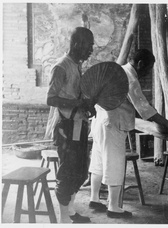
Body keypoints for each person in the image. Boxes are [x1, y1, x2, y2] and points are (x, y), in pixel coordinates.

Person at [88, 49, 168, 218]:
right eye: (148, 68)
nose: (147, 73)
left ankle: (94, 199)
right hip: (112, 125)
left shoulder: (116, 70)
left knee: (99, 162)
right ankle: (113, 208)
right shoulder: (129, 77)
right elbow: (143, 107)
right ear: (139, 64)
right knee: (115, 165)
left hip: (100, 122)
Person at [46, 27, 95, 223]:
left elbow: (75, 94)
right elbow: (51, 99)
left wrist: (88, 106)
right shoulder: (61, 66)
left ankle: (71, 212)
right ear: (77, 44)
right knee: (67, 172)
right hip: (65, 127)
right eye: (89, 45)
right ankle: (63, 219)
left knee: (81, 171)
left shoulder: (76, 65)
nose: (91, 50)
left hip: (78, 124)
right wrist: (79, 104)